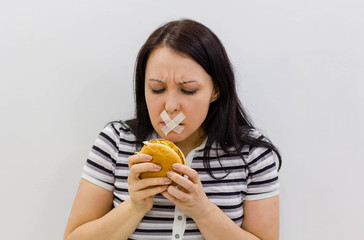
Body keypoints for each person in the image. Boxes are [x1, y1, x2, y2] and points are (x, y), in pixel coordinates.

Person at [64, 19, 282, 240]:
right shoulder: (116, 142)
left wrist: (202, 211)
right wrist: (135, 207)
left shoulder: (252, 154)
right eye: (157, 89)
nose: (170, 107)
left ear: (215, 90)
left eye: (188, 90)